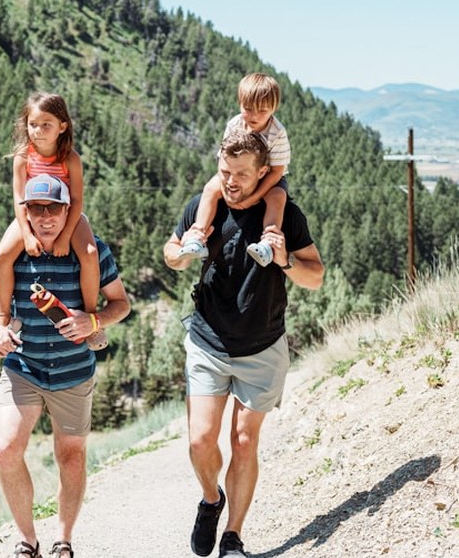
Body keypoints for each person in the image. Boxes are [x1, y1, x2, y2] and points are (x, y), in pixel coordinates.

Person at [163, 131, 324, 558]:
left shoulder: (285, 216)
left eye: (240, 175)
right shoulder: (205, 206)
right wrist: (178, 256)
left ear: (262, 175)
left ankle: (233, 536)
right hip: (208, 342)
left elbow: (316, 276)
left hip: (263, 346)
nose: (231, 182)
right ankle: (211, 499)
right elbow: (171, 249)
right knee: (200, 441)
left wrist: (285, 258)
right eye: (224, 172)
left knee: (245, 441)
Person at [0, 174, 131, 558]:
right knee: (6, 450)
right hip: (22, 368)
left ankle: (64, 541)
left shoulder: (93, 251)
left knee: (71, 456)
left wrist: (92, 322)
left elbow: (121, 304)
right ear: (25, 212)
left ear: (68, 210)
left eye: (53, 208)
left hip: (73, 372)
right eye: (36, 209)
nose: (45, 217)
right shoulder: (13, 255)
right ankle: (27, 540)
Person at [0, 92, 102, 344]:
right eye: (33, 124)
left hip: (68, 216)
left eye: (46, 125)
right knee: (2, 256)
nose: (38, 131)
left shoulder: (71, 159)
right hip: (31, 216)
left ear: (62, 126)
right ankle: (3, 320)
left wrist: (65, 236)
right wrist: (28, 234)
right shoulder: (23, 157)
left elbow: (76, 201)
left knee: (89, 254)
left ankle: (90, 320)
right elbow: (19, 199)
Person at [177, 73, 292, 267]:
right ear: (240, 103)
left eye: (262, 110)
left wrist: (254, 197)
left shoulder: (277, 132)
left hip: (268, 177)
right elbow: (224, 157)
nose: (254, 116)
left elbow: (277, 171)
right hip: (235, 171)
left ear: (274, 108)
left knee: (278, 197)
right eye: (248, 109)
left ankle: (267, 242)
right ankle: (197, 236)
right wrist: (225, 185)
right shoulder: (235, 124)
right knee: (209, 190)